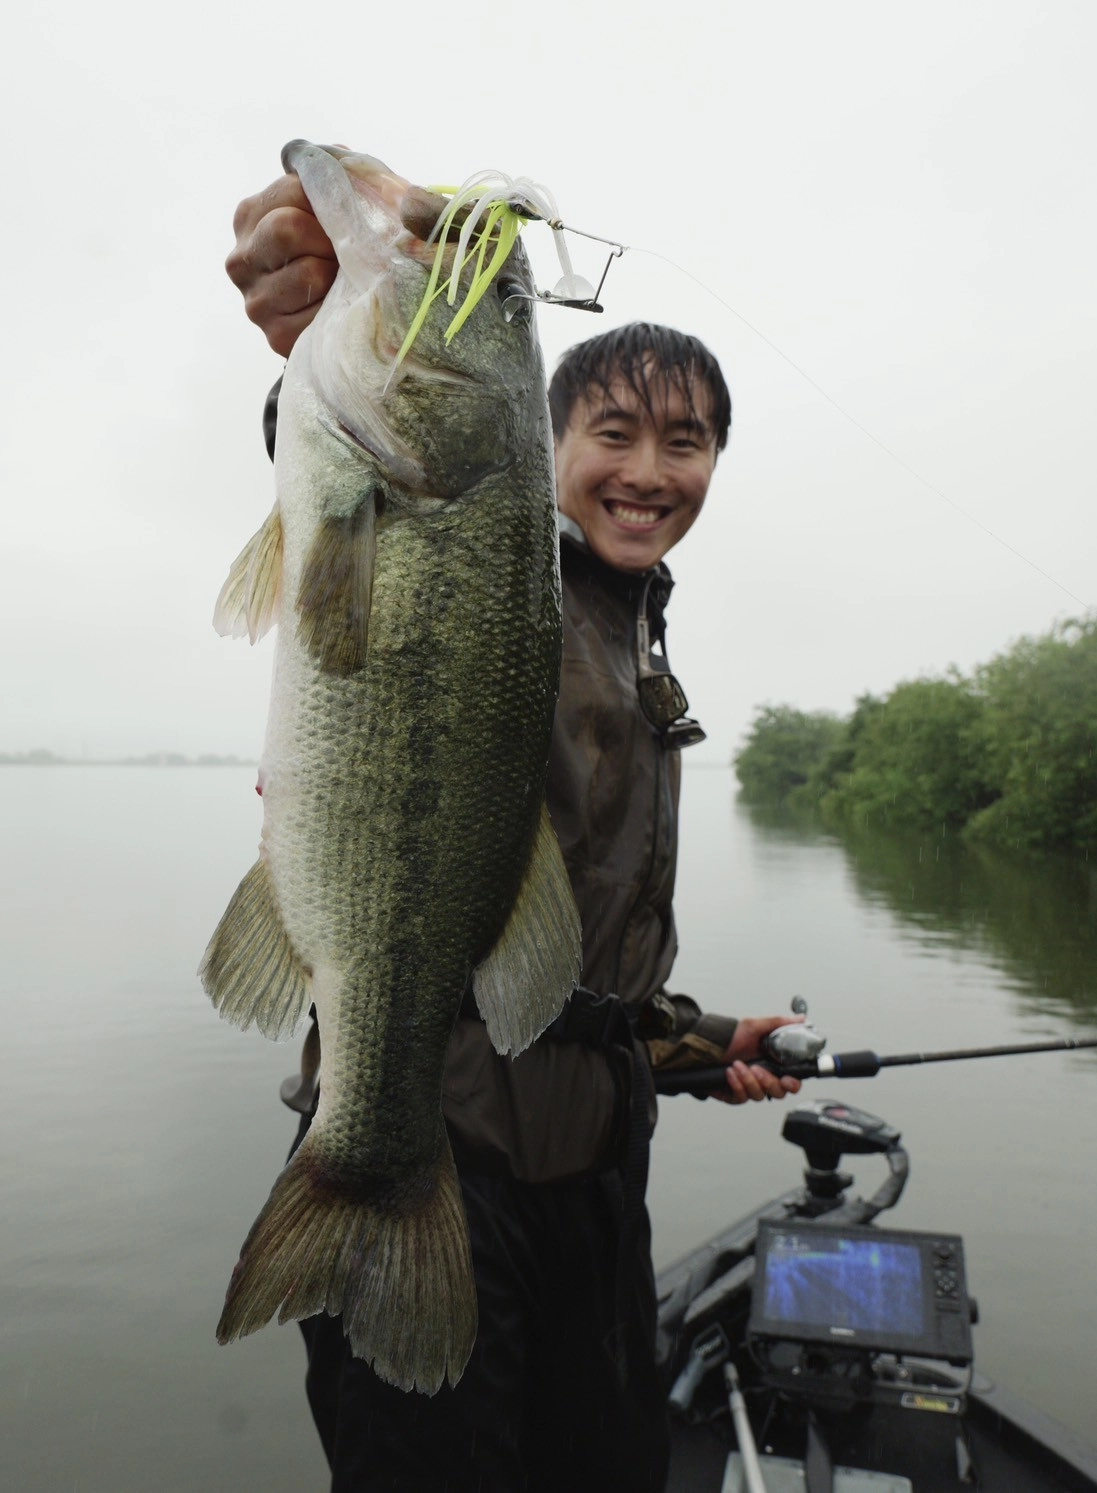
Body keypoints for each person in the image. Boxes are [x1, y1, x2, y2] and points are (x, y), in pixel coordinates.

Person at [226, 168, 802, 1493]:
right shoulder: (501, 563)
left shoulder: (630, 634)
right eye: (613, 432)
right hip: (443, 1152)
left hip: (595, 1175)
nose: (650, 472)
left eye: (688, 441)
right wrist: (333, 318)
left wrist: (704, 1041)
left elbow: (566, 954)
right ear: (538, 444)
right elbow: (359, 477)